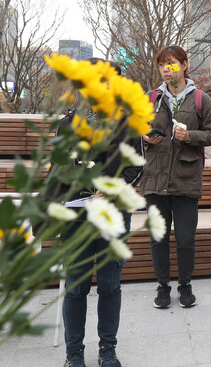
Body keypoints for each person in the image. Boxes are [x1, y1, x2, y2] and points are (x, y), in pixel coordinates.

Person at [59, 59, 144, 367]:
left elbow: (137, 165)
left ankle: (108, 349)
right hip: (77, 217)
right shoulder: (69, 122)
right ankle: (74, 354)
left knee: (109, 286)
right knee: (76, 287)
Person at [139, 45, 211, 310]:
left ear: (185, 66)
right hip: (154, 179)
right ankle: (163, 285)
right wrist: (144, 138)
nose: (166, 69)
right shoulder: (151, 99)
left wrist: (190, 137)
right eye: (162, 65)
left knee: (185, 238)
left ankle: (185, 284)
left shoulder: (200, 99)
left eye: (172, 64)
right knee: (158, 238)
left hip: (186, 179)